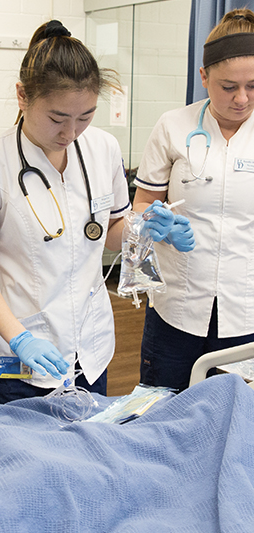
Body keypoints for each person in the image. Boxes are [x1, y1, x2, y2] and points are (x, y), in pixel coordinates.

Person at [0, 20, 131, 408]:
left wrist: (143, 228)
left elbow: (111, 231)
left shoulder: (103, 148)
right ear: (22, 96)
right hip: (17, 355)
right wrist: (19, 337)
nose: (71, 132)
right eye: (57, 118)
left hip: (90, 349)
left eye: (85, 116)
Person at [132, 8, 254, 392]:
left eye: (253, 85)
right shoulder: (172, 126)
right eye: (228, 86)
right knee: (160, 414)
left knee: (234, 426)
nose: (241, 98)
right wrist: (157, 224)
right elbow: (140, 206)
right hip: (176, 308)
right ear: (203, 77)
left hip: (246, 310)